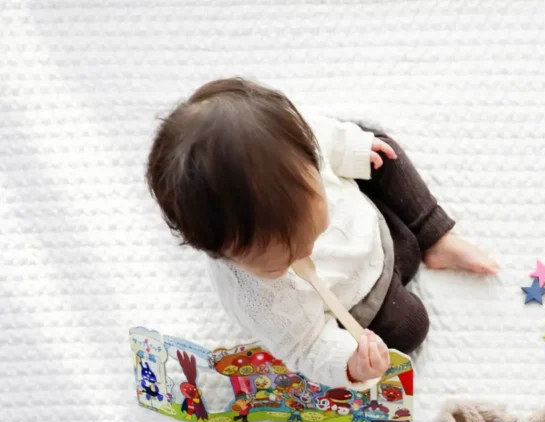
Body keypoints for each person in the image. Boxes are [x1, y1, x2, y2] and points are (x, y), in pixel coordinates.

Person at [146, 78, 497, 387]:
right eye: (280, 262)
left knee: (379, 151)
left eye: (313, 231)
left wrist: (352, 149)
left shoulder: (296, 145)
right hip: (360, 300)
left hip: (369, 222)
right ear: (220, 253)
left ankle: (434, 235)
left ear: (309, 163)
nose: (307, 253)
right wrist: (351, 364)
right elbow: (306, 346)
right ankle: (404, 263)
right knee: (410, 326)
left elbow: (328, 137)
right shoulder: (257, 300)